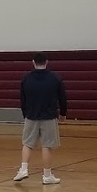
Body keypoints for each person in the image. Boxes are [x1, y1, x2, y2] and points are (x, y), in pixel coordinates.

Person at [15, 52, 66, 184]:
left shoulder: (26, 79)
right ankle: (47, 175)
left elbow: (22, 99)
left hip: (31, 116)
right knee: (47, 146)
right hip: (48, 117)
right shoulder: (55, 78)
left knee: (27, 143)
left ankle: (23, 169)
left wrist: (25, 113)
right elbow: (62, 98)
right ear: (46, 62)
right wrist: (63, 113)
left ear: (33, 62)